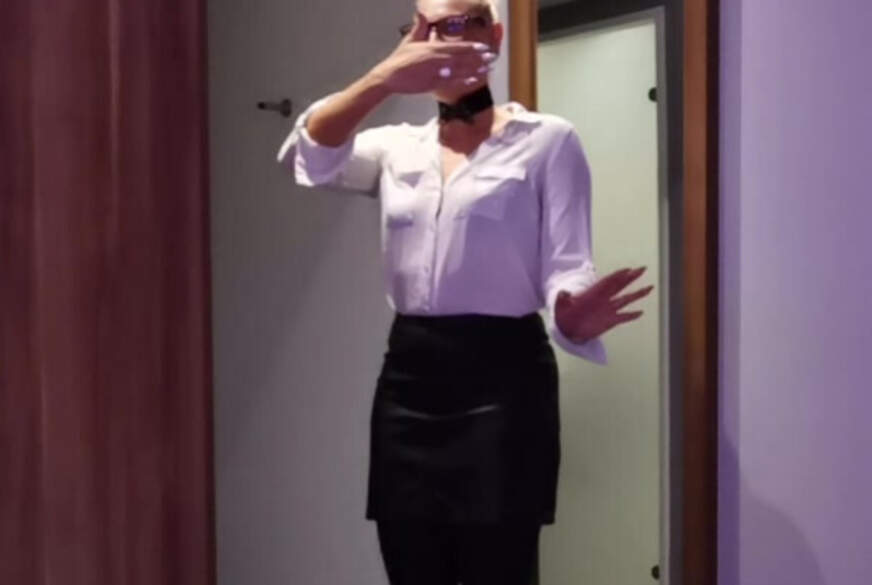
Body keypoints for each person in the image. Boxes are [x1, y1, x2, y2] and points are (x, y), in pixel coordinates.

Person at [277, 1, 653, 583]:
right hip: (408, 381)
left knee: (499, 568)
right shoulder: (396, 147)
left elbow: (568, 267)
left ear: (494, 35)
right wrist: (384, 78)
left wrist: (571, 316)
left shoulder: (549, 141)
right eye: (423, 28)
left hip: (505, 383)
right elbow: (308, 157)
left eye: (456, 22)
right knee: (410, 566)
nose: (437, 39)